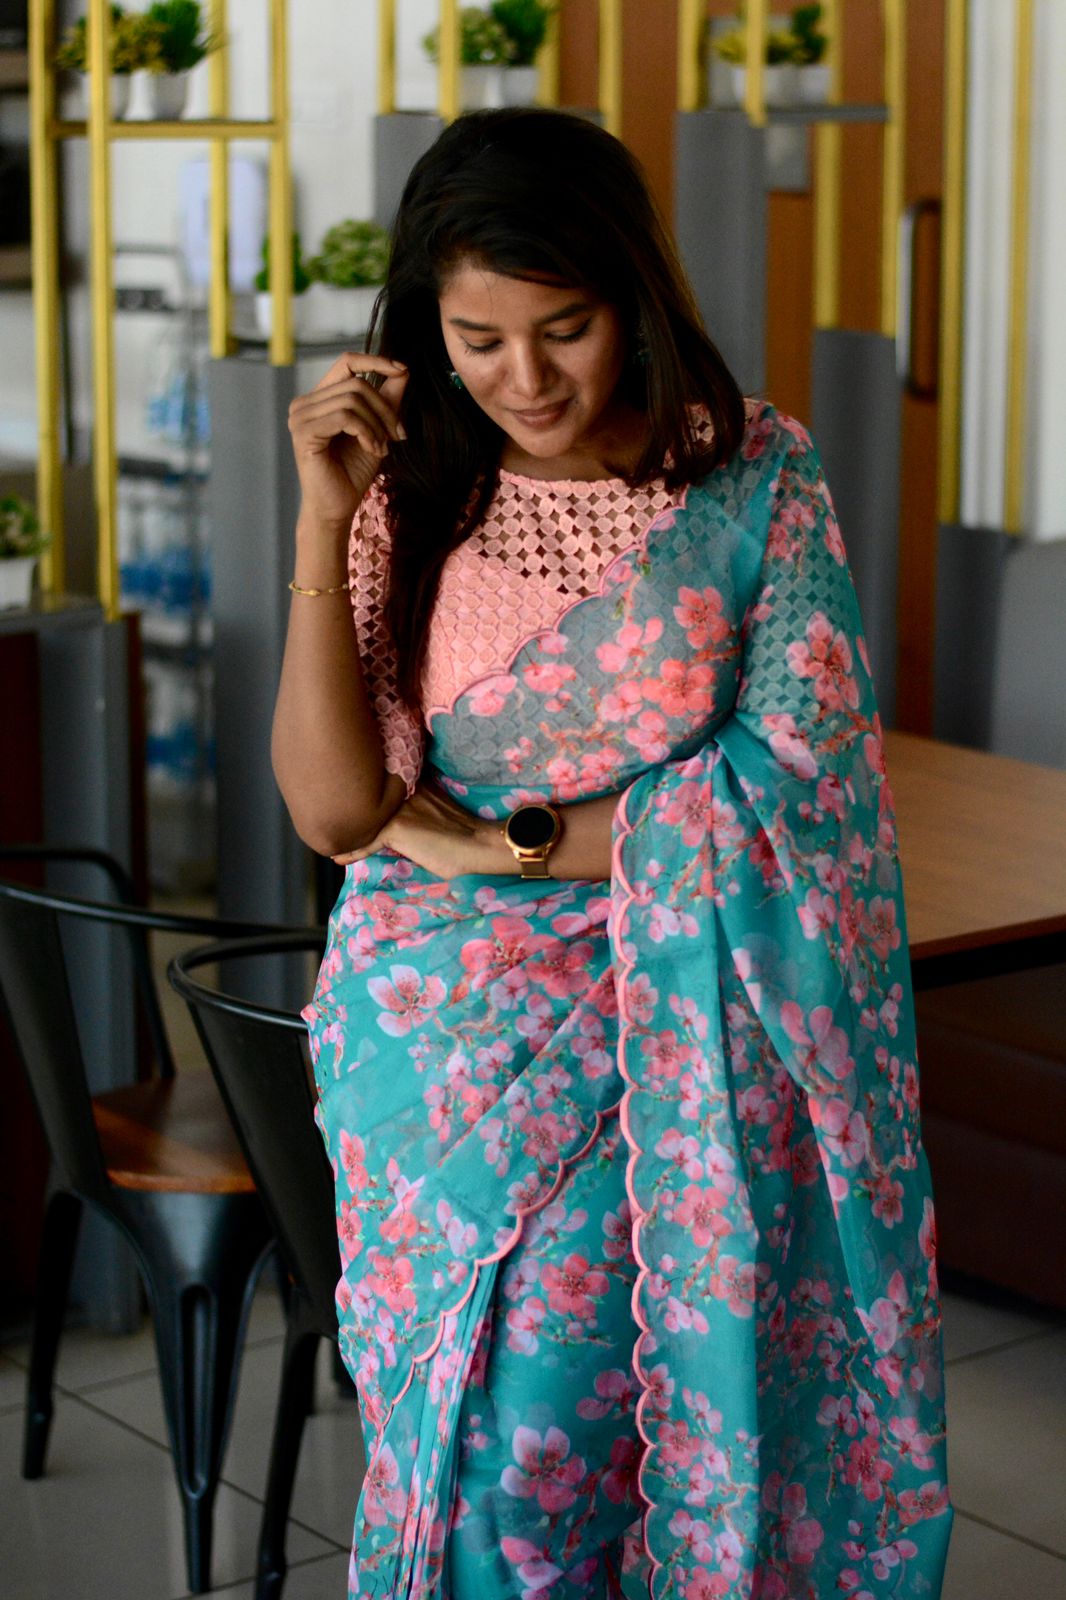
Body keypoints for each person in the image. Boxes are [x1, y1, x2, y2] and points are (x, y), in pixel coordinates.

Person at [273, 108, 953, 1600]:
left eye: (562, 329)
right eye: (477, 337)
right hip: (443, 1037)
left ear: (631, 298)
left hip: (697, 1015)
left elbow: (806, 781)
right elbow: (333, 812)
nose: (524, 379)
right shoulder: (409, 488)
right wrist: (323, 524)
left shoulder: (755, 478)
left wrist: (514, 844)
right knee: (490, 1451)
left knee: (598, 1427)